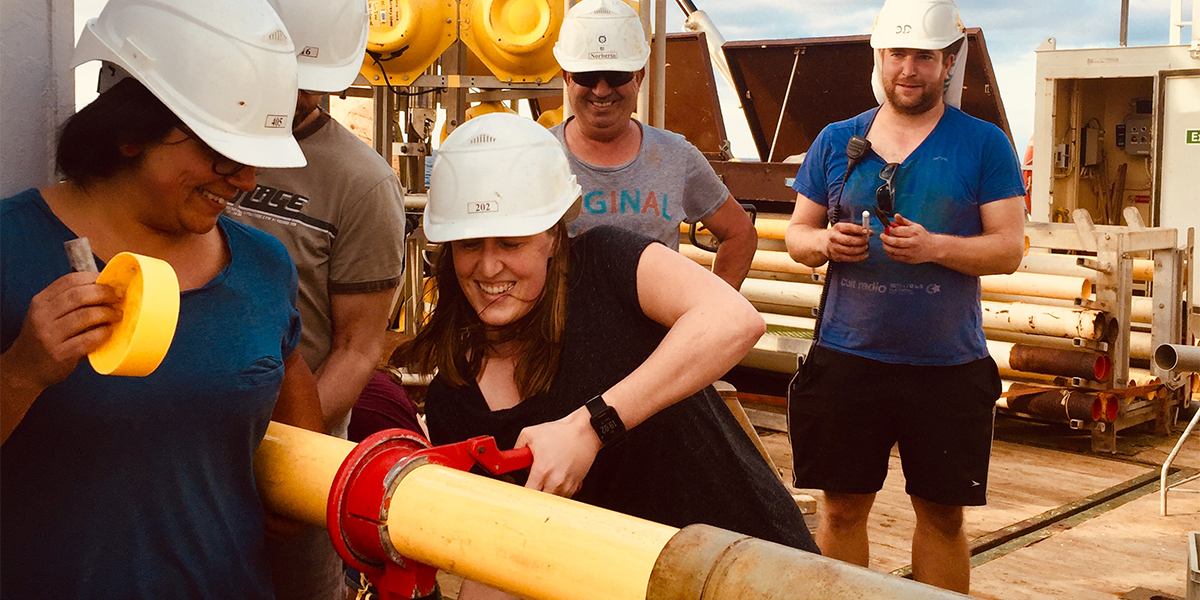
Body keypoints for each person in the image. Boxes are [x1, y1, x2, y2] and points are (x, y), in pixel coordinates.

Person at [400, 112, 818, 600]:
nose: (489, 266)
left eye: (512, 242)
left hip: (751, 574)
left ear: (553, 237)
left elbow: (734, 320)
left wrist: (590, 428)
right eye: (469, 244)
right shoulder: (456, 399)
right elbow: (510, 550)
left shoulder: (607, 267)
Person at [0, 0, 326, 597]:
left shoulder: (261, 264)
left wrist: (302, 488)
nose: (246, 180)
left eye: (254, 157)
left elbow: (288, 373)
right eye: (222, 154)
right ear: (130, 133)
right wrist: (21, 373)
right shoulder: (11, 248)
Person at [782, 0, 1025, 593]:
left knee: (943, 517)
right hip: (847, 360)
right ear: (878, 56)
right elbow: (795, 235)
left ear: (948, 63)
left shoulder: (984, 144)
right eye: (898, 54)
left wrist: (936, 247)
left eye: (925, 56)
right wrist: (825, 242)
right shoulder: (838, 140)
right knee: (840, 511)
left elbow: (1008, 250)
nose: (909, 69)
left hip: (946, 368)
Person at [222, 1, 409, 598]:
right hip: (188, 443)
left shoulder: (360, 181)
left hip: (294, 456)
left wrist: (276, 454)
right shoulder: (198, 143)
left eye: (311, 83)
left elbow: (358, 348)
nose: (296, 94)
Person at [548, 0, 757, 289]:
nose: (601, 89)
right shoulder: (538, 156)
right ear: (567, 77)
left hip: (656, 335)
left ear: (640, 77)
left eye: (617, 75)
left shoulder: (676, 156)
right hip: (560, 334)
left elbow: (740, 234)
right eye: (587, 76)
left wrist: (710, 312)